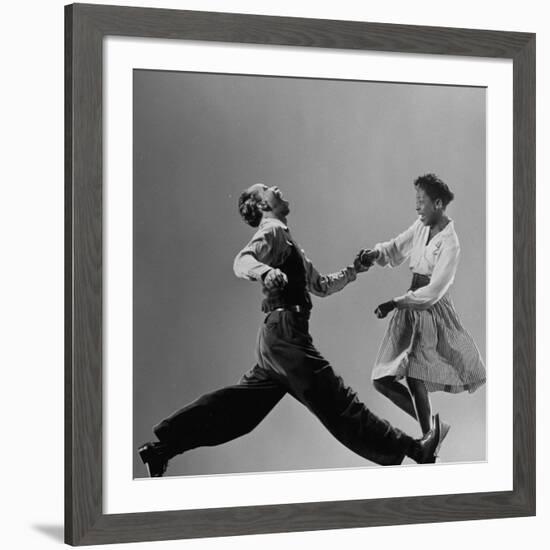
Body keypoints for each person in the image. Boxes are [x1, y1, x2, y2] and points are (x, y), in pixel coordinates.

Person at [138, 183, 441, 477]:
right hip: (286, 336)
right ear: (262, 205)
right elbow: (242, 261)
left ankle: (161, 450)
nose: (276, 188)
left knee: (238, 413)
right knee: (337, 401)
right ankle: (416, 450)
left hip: (275, 340)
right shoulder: (271, 232)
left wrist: (353, 270)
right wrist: (266, 272)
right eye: (267, 188)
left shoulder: (287, 241)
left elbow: (321, 285)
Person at [359, 174, 486, 445]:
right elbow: (396, 248)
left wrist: (394, 303)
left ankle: (430, 435)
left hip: (430, 311)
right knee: (382, 379)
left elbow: (433, 292)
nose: (417, 208)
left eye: (421, 202)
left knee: (416, 378)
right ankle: (434, 430)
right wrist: (374, 254)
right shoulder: (420, 226)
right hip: (409, 306)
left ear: (438, 204)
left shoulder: (450, 243)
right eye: (416, 201)